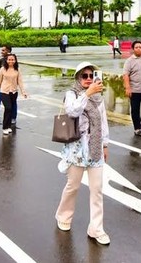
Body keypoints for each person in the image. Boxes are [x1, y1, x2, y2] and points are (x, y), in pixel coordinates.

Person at [55, 61, 110, 246]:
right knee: (73, 186)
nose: (88, 79)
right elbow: (72, 111)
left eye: (91, 76)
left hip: (95, 148)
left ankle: (96, 228)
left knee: (97, 190)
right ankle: (63, 217)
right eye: (84, 76)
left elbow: (103, 123)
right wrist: (87, 93)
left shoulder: (99, 98)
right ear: (78, 78)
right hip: (77, 149)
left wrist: (105, 145)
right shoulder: (72, 94)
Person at [0, 53, 28, 135]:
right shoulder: (2, 69)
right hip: (4, 91)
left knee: (11, 109)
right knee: (8, 108)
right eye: (9, 59)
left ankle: (8, 126)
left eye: (12, 59)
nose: (11, 61)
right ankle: (5, 127)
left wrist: (23, 92)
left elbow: (20, 81)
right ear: (6, 60)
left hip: (14, 92)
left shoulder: (17, 69)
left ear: (15, 60)